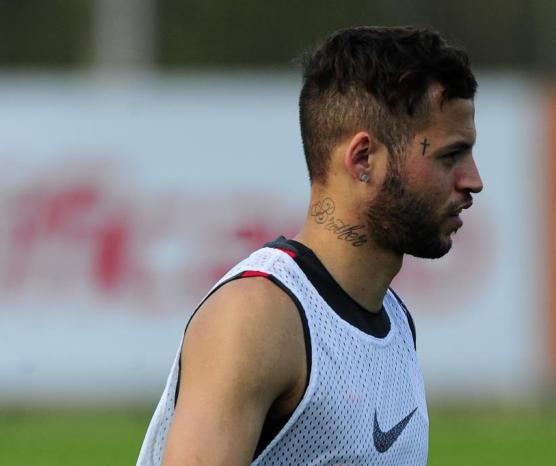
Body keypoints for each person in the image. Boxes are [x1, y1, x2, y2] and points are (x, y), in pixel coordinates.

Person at [137, 26, 483, 466]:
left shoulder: (394, 321)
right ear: (363, 160)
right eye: (450, 156)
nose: (473, 180)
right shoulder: (257, 318)